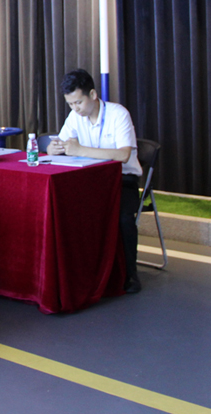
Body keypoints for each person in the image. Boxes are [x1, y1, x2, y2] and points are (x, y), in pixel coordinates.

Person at [46, 68, 143, 294]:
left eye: (78, 102)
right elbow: (53, 147)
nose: (75, 108)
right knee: (64, 209)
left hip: (122, 180)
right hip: (88, 180)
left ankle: (130, 274)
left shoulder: (118, 114)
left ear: (93, 94)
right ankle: (84, 272)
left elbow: (123, 155)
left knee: (123, 218)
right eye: (70, 104)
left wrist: (80, 150)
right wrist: (55, 148)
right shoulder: (75, 117)